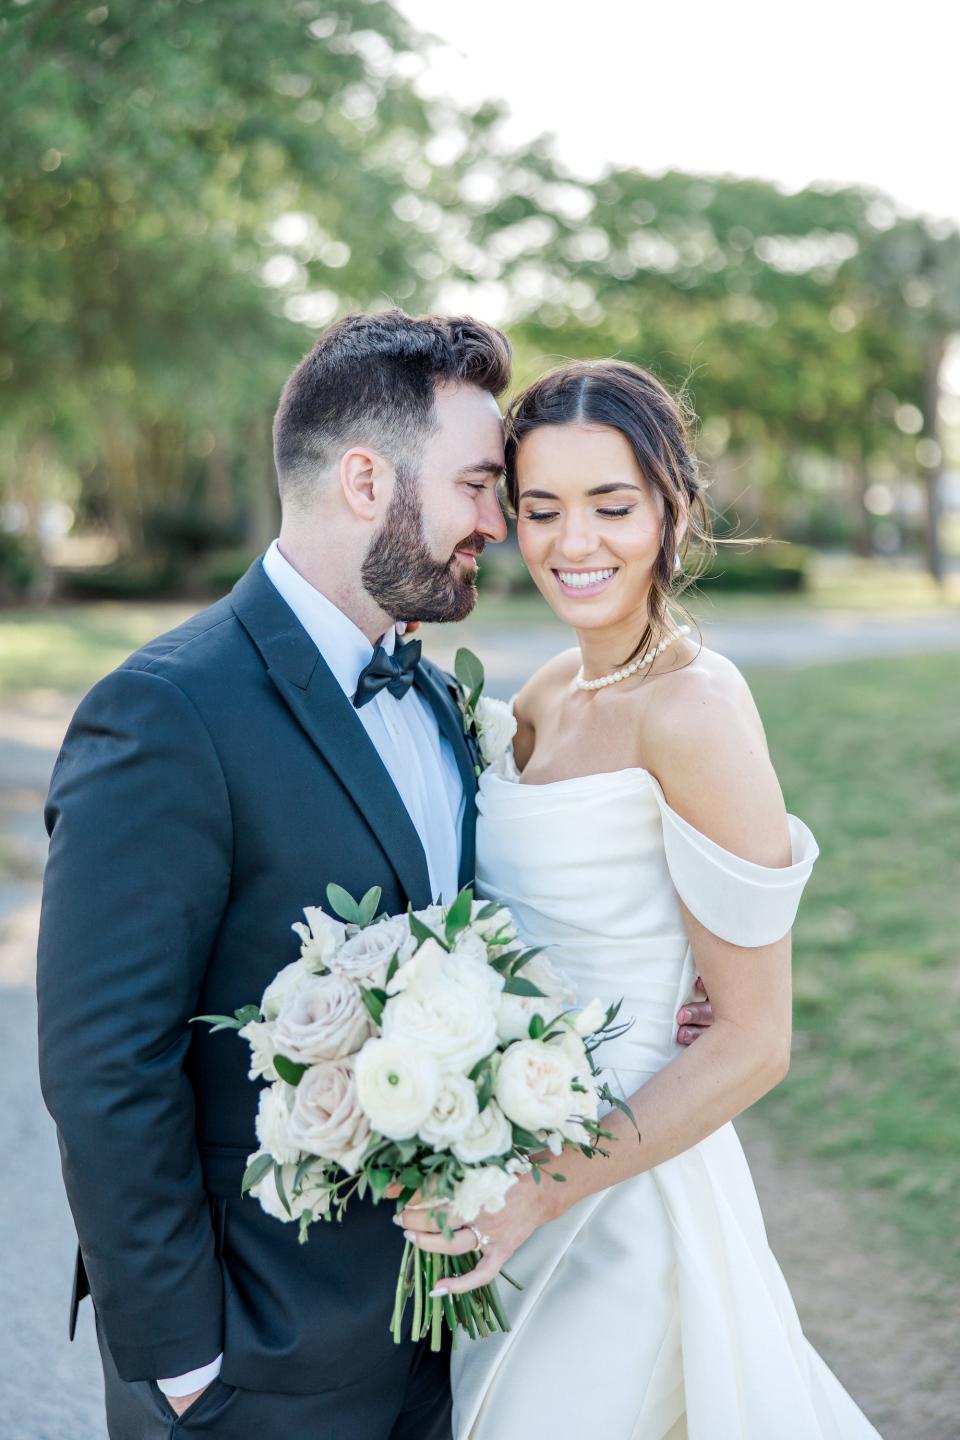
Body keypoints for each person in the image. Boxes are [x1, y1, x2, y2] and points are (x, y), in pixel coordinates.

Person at [34, 309, 718, 1439]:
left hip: (448, 1332)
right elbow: (106, 1065)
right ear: (365, 479)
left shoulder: (445, 699)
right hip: (257, 1361)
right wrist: (186, 1364)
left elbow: (498, 911)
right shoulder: (165, 714)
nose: (501, 525)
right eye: (477, 487)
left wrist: (664, 975)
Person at [397, 359, 883, 1439]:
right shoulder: (540, 694)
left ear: (672, 510)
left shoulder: (695, 709)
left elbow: (756, 1042)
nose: (577, 544)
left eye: (613, 507)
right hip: (511, 1166)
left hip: (625, 1201)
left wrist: (541, 1189)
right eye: (543, 510)